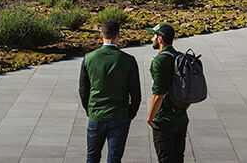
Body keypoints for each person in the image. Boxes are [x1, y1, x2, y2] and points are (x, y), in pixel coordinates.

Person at [78, 17, 141, 163]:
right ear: (118, 35)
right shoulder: (128, 60)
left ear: (101, 35)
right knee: (114, 158)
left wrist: (90, 110)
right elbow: (136, 94)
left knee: (92, 157)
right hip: (119, 115)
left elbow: (83, 90)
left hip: (97, 114)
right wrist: (131, 113)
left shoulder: (89, 58)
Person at [145, 23, 187, 163]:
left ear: (160, 39)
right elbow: (189, 89)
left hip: (163, 121)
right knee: (178, 159)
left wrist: (150, 117)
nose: (152, 39)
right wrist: (182, 107)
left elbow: (158, 95)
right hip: (181, 119)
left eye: (154, 36)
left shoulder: (159, 61)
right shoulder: (181, 58)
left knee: (165, 159)